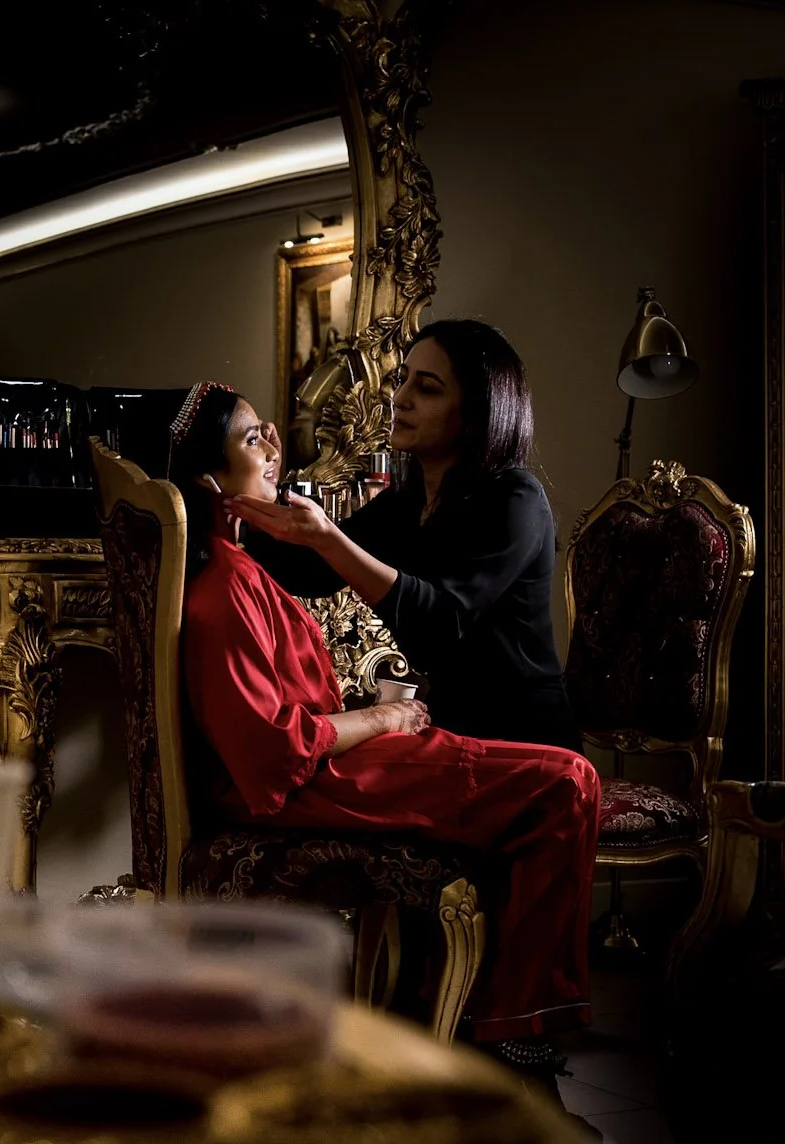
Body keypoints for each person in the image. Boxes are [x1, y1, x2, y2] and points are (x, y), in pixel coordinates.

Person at [170, 380, 600, 1077]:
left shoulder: (244, 566)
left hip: (333, 763)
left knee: (550, 778)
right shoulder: (223, 590)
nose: (274, 446)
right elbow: (273, 749)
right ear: (209, 481)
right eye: (254, 439)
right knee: (568, 780)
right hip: (311, 780)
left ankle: (467, 1006)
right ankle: (514, 1027)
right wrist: (383, 716)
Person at [230, 319, 583, 753]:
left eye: (427, 388)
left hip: (527, 741)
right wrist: (265, 483)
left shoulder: (516, 500)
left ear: (475, 414)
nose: (400, 398)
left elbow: (441, 622)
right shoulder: (408, 502)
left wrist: (328, 539)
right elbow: (308, 571)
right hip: (455, 728)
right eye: (403, 380)